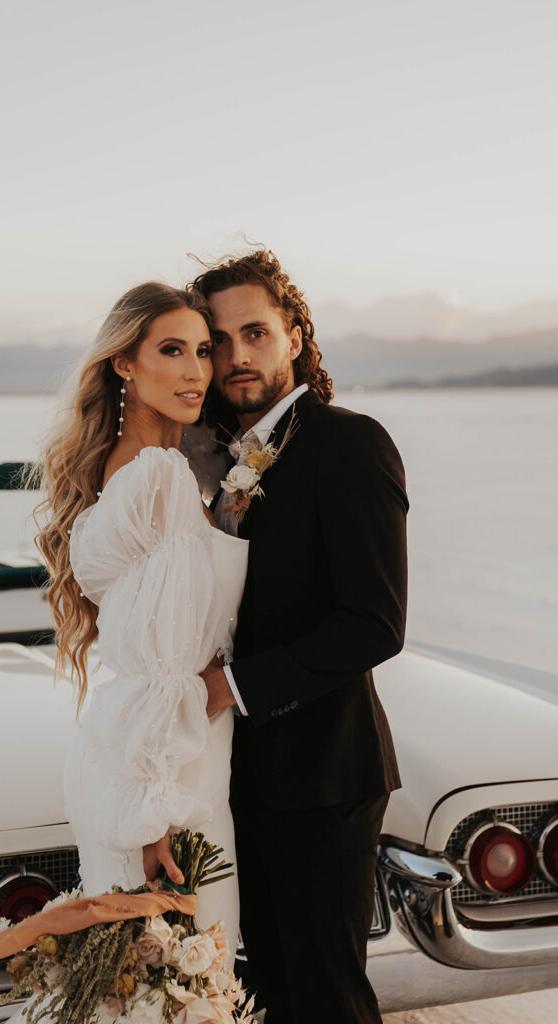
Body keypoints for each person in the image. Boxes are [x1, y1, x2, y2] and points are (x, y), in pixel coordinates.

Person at [2, 282, 249, 1022]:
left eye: (203, 351)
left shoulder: (134, 466)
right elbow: (164, 664)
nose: (195, 371)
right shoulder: (160, 477)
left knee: (135, 993)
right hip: (166, 774)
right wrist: (152, 815)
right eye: (170, 350)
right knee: (178, 988)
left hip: (131, 754)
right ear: (123, 365)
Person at [191, 250, 409, 1024]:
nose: (236, 355)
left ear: (293, 336)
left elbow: (374, 623)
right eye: (217, 340)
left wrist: (232, 687)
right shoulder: (216, 458)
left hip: (322, 771)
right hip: (237, 770)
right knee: (272, 991)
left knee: (325, 998)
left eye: (255, 332)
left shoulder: (348, 443)